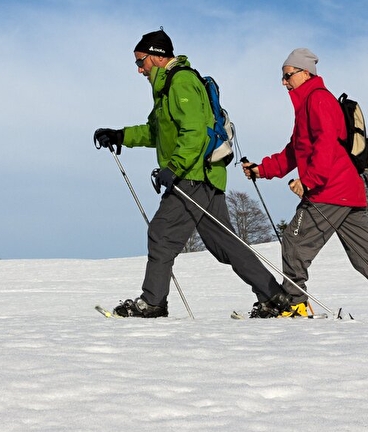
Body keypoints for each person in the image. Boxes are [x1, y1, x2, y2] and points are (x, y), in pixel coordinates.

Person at [93, 29, 289, 318]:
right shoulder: (165, 88)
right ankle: (274, 297)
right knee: (225, 244)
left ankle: (153, 302)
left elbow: (194, 132)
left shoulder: (181, 82)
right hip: (204, 175)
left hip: (194, 174)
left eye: (141, 61)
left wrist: (173, 167)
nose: (138, 69)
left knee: (161, 234)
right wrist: (120, 135)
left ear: (157, 57)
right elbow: (156, 131)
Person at [243, 48, 368, 321]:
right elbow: (296, 149)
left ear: (305, 73)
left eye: (287, 75)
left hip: (329, 189)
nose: (284, 82)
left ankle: (294, 303)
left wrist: (309, 181)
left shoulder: (319, 100)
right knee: (365, 255)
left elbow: (326, 145)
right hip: (348, 191)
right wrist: (263, 169)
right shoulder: (307, 104)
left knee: (294, 239)